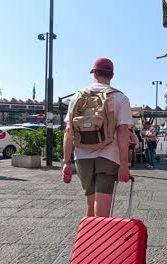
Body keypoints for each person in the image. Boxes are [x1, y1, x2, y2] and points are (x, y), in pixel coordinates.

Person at [61, 58, 132, 217]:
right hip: (108, 156)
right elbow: (122, 132)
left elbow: (68, 131)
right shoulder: (120, 98)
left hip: (82, 156)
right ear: (111, 75)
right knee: (102, 211)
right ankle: (100, 240)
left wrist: (66, 162)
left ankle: (87, 240)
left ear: (94, 73)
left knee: (90, 205)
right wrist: (124, 165)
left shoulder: (78, 96)